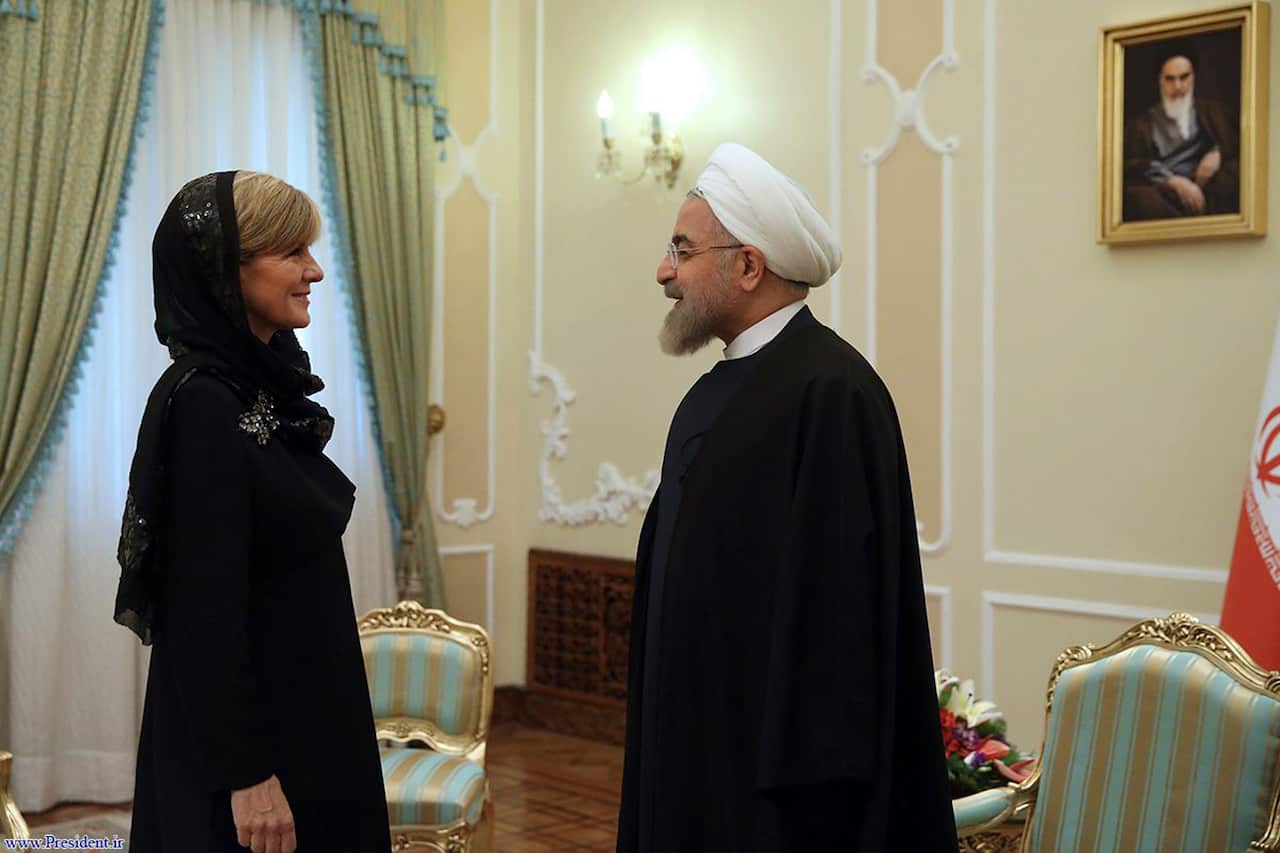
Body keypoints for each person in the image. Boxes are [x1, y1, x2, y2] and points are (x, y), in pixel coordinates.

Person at [615, 143, 958, 852]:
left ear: (748, 264)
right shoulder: (713, 391)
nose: (663, 271)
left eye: (682, 249)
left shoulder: (832, 391)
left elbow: (838, 630)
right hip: (694, 755)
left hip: (777, 796)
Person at [114, 171, 391, 852]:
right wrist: (248, 776)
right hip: (256, 754)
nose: (315, 270)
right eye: (292, 252)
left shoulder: (256, 387)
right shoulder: (204, 404)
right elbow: (201, 614)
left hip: (304, 722)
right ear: (227, 269)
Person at [1123, 46, 1240, 220]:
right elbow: (1132, 164)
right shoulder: (1141, 125)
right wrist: (1174, 181)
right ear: (1160, 81)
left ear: (1193, 77)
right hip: (1164, 192)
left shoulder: (1214, 112)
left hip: (1208, 189)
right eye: (1170, 79)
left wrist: (1217, 153)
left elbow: (1237, 144)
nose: (1178, 86)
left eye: (1184, 77)